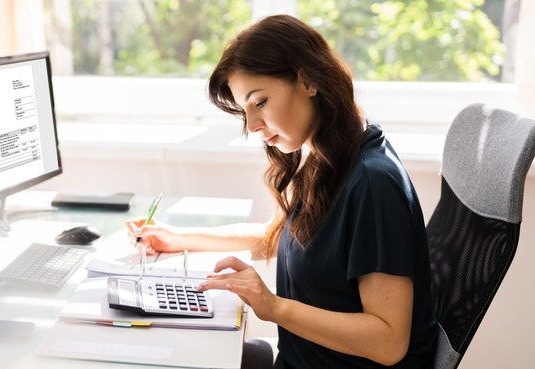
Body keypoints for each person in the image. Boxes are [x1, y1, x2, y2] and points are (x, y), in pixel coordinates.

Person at [125, 15, 437, 369]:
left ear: (308, 80)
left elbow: (388, 341)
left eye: (260, 102)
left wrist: (273, 307)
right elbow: (282, 237)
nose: (253, 126)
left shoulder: (372, 184)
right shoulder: (326, 152)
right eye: (244, 111)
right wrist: (180, 238)